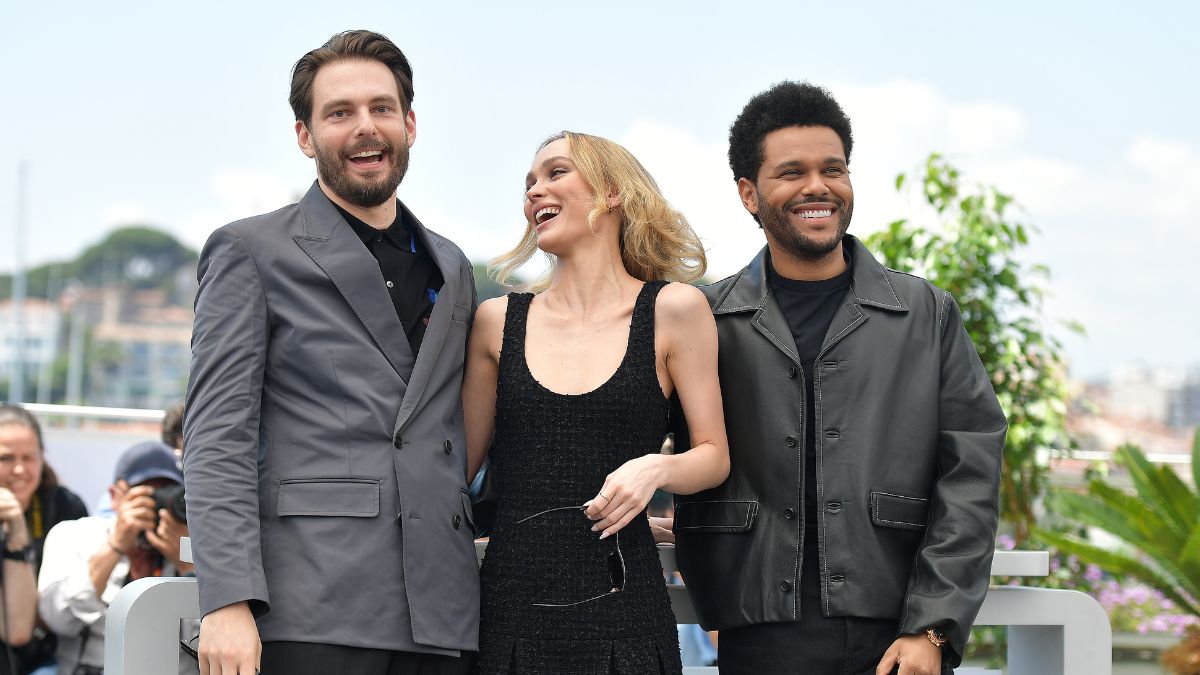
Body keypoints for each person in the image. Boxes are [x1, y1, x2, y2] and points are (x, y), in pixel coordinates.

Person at [670, 82, 1007, 675]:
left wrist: (932, 627)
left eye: (834, 169)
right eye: (791, 172)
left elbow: (971, 475)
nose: (818, 187)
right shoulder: (704, 318)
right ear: (749, 193)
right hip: (758, 628)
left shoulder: (927, 314)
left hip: (899, 627)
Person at [184, 29, 479, 675]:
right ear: (304, 136)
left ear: (410, 122)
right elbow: (216, 437)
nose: (364, 128)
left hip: (444, 612)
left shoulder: (452, 264)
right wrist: (227, 597)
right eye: (339, 112)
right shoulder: (250, 250)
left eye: (380, 108)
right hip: (311, 604)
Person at [463, 131, 730, 674]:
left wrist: (653, 469)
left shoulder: (675, 310)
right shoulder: (497, 321)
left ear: (612, 192)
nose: (536, 190)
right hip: (509, 612)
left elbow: (713, 455)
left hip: (627, 614)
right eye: (529, 183)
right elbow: (455, 471)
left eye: (556, 173)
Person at [38, 441, 195, 675]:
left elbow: (209, 638)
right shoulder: (73, 536)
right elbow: (58, 620)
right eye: (146, 494)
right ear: (114, 496)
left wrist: (185, 561)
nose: (155, 507)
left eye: (166, 494)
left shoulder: (196, 545)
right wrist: (115, 547)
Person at [0, 404, 88, 675]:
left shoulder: (65, 506)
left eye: (29, 458)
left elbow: (21, 630)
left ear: (42, 458)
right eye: (5, 458)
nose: (19, 470)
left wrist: (17, 532)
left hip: (44, 654)